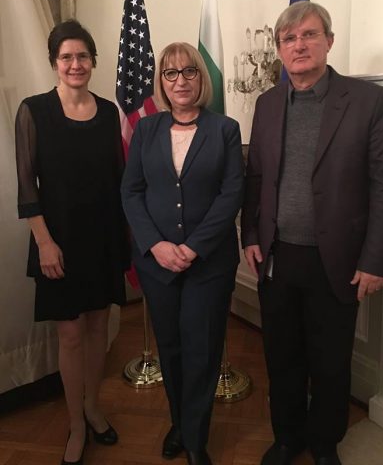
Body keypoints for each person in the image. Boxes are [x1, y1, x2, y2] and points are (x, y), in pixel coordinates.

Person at [241, 1, 383, 465]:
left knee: (331, 361)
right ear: (279, 49)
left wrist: (375, 259)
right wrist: (249, 234)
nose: (299, 45)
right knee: (282, 356)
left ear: (329, 41)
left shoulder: (368, 101)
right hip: (277, 255)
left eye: (309, 35)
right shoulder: (268, 103)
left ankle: (326, 441)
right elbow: (255, 177)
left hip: (339, 260)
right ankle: (288, 438)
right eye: (289, 39)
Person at [121, 42, 244, 465]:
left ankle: (195, 440)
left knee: (202, 350)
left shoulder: (225, 129)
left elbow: (231, 195)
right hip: (157, 265)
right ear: (161, 80)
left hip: (208, 264)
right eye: (170, 73)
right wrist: (156, 245)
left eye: (189, 71)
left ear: (200, 77)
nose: (180, 81)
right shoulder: (146, 130)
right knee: (171, 349)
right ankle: (180, 423)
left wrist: (192, 247)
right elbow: (131, 191)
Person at [15, 20, 129, 465]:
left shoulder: (109, 113)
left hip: (102, 238)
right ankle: (76, 424)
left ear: (93, 60)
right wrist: (44, 243)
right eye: (66, 57)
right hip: (57, 242)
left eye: (82, 56)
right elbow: (28, 188)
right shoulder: (33, 111)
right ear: (54, 62)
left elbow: (118, 181)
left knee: (99, 328)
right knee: (71, 336)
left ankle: (94, 407)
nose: (75, 64)